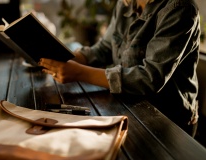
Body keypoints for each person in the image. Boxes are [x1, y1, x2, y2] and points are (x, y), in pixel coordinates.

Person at [38, 0, 201, 137]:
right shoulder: (126, 4)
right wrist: (62, 58)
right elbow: (105, 48)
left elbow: (150, 78)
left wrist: (78, 72)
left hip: (169, 122)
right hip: (128, 108)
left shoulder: (180, 8)